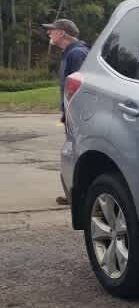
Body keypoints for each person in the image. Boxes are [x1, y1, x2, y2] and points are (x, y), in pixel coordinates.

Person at [43, 18, 89, 205]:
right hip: (72, 113)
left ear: (62, 33)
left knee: (77, 152)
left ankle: (77, 195)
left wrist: (72, 113)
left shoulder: (77, 54)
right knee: (73, 152)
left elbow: (80, 87)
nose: (49, 33)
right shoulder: (70, 53)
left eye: (52, 30)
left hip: (78, 115)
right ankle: (73, 193)